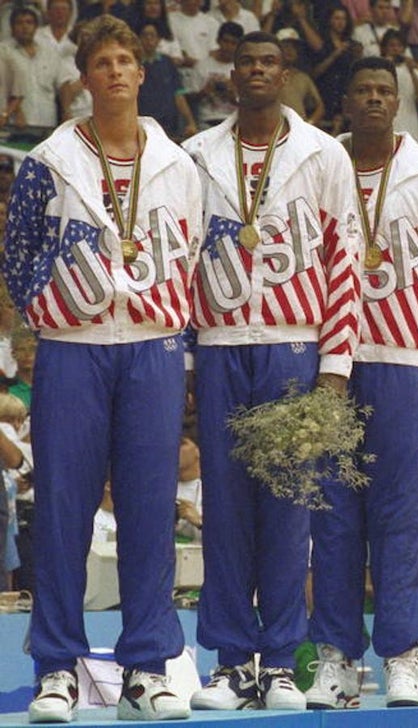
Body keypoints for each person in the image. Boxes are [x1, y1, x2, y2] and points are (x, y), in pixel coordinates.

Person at [3, 15, 201, 723]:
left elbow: (195, 253)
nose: (116, 71)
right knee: (63, 510)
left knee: (150, 512)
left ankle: (147, 668)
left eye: (126, 60)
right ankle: (56, 667)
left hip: (151, 349)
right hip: (74, 353)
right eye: (103, 63)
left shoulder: (180, 166)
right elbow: (17, 253)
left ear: (142, 73)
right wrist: (54, 313)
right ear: (83, 79)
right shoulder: (49, 162)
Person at [182, 30, 360, 712]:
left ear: (286, 74)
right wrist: (192, 358)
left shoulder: (322, 153)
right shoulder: (195, 154)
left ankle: (281, 661)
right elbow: (184, 261)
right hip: (224, 343)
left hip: (293, 343)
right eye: (246, 62)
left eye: (269, 63)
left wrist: (336, 363)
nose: (256, 71)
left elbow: (345, 260)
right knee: (226, 509)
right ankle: (231, 663)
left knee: (289, 508)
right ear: (232, 74)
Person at [304, 56, 418, 711]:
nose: (376, 100)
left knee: (402, 516)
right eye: (364, 91)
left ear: (399, 102)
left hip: (405, 363)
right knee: (335, 517)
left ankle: (405, 658)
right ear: (343, 101)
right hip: (331, 365)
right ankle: (336, 661)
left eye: (386, 92)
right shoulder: (321, 167)